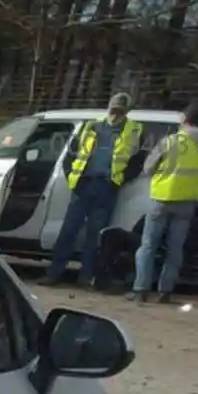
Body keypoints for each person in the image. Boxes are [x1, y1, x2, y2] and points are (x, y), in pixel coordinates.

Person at [43, 93, 143, 290]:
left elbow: (138, 161)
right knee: (68, 231)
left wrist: (119, 181)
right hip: (83, 185)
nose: (115, 115)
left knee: (95, 236)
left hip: (106, 187)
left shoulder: (135, 131)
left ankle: (86, 277)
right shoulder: (91, 126)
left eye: (119, 111)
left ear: (126, 112)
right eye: (113, 110)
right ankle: (54, 273)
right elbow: (70, 155)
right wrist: (74, 178)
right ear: (108, 108)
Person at [129, 102, 198, 303]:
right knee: (175, 248)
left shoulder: (171, 141)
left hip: (163, 197)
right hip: (188, 200)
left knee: (148, 246)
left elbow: (148, 167)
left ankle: (140, 289)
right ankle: (165, 291)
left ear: (184, 119)